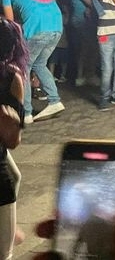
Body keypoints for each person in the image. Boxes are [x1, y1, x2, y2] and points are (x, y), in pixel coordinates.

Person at [2, 0, 65, 123]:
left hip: (37, 28)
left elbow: (10, 21)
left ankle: (27, 112)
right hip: (56, 25)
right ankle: (54, 100)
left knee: (24, 68)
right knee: (39, 64)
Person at [0, 20, 26, 260]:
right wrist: (12, 124)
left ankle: (10, 227)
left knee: (15, 174)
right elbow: (12, 140)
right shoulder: (9, 76)